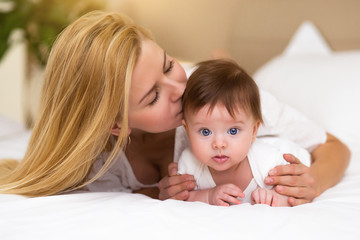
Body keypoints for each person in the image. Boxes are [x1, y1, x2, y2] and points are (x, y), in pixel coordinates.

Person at [0, 12, 350, 206]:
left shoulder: (225, 99)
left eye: (168, 65)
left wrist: (314, 181)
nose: (180, 90)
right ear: (116, 126)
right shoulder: (97, 162)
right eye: (152, 96)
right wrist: (159, 193)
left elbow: (334, 147)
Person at [177, 59, 311, 207]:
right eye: (205, 131)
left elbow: (298, 194)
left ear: (254, 131)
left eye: (233, 131)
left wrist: (275, 198)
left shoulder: (269, 162)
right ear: (187, 131)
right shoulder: (189, 164)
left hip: (287, 148)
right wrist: (208, 195)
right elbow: (183, 198)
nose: (219, 144)